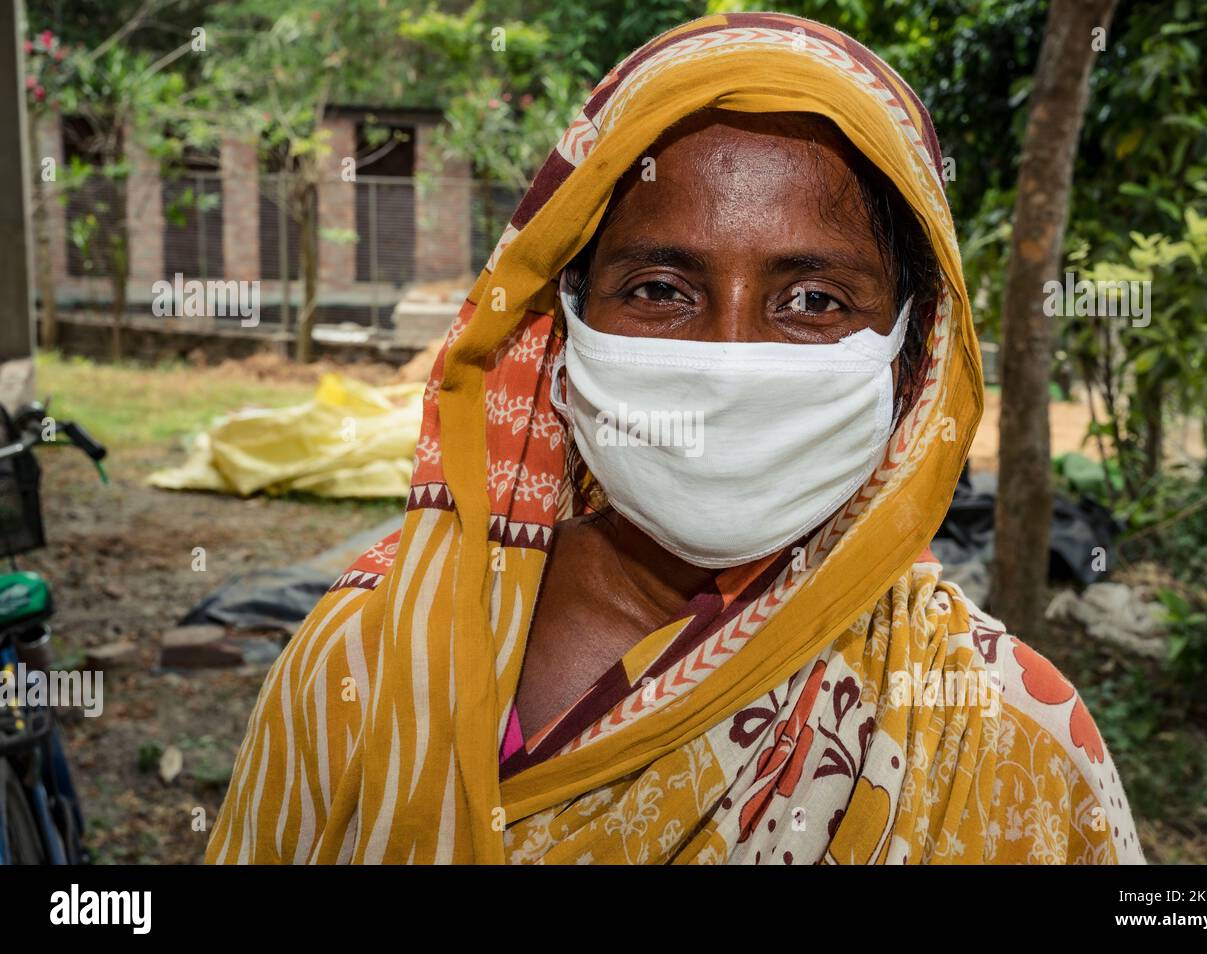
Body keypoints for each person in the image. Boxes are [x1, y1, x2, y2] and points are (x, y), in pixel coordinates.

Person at [206, 11, 1143, 865]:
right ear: (564, 321)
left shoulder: (1002, 732)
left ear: (909, 354)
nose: (727, 358)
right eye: (661, 289)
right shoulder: (373, 655)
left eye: (813, 301)